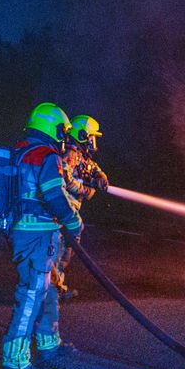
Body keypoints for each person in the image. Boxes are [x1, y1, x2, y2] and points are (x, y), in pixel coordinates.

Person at [1, 102, 83, 369]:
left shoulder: (22, 150)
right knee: (31, 295)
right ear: (52, 127)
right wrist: (73, 223)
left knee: (46, 288)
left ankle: (48, 344)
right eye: (62, 130)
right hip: (38, 235)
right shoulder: (46, 155)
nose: (64, 136)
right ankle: (15, 364)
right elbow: (54, 195)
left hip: (26, 232)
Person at [55, 115, 108, 298]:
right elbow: (66, 181)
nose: (93, 142)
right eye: (91, 137)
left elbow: (93, 168)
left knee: (65, 253)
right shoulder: (70, 154)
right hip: (63, 211)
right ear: (83, 134)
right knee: (59, 251)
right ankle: (51, 291)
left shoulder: (82, 156)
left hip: (71, 211)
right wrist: (87, 190)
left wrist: (101, 176)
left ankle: (56, 288)